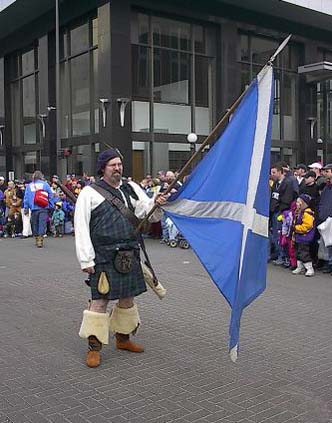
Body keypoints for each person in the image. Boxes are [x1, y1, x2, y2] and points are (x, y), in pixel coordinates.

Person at [75, 148, 167, 368]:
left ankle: (123, 340)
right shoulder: (90, 193)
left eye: (119, 164)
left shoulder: (131, 189)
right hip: (104, 256)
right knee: (100, 302)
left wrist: (158, 202)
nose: (117, 168)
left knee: (127, 299)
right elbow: (81, 227)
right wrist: (86, 260)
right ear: (102, 168)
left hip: (129, 252)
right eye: (112, 165)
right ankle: (94, 348)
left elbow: (148, 213)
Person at [23, 170, 54, 248]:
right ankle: (40, 239)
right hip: (43, 207)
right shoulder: (45, 184)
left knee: (35, 223)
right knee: (42, 223)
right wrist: (51, 205)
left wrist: (26, 207)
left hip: (33, 207)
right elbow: (50, 195)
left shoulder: (29, 186)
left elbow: (26, 198)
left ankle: (37, 238)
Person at [292, 194, 315, 277]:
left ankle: (309, 268)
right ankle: (300, 267)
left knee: (304, 252)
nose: (296, 204)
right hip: (299, 236)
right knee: (298, 252)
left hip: (304, 236)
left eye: (298, 202)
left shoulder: (307, 213)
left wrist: (296, 228)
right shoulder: (299, 212)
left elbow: (307, 226)